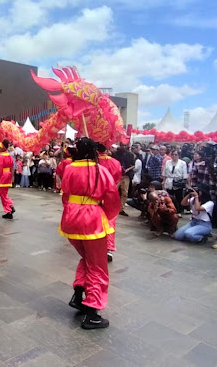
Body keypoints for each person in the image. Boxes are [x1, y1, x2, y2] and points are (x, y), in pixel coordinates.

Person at [61, 137, 120, 330]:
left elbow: (65, 196)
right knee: (98, 266)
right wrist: (106, 215)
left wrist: (71, 211)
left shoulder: (68, 168)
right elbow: (112, 198)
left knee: (88, 259)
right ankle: (92, 311)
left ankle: (78, 294)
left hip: (71, 219)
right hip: (92, 221)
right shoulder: (100, 170)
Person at [97, 143, 122, 262]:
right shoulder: (116, 163)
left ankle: (97, 247)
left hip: (96, 196)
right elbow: (118, 180)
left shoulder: (93, 163)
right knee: (110, 222)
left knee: (97, 221)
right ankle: (109, 248)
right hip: (111, 195)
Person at [163, 150, 188, 214]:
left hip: (178, 181)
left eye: (176, 154)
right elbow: (164, 173)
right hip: (169, 181)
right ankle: (170, 209)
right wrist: (164, 181)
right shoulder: (168, 162)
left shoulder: (182, 163)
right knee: (169, 196)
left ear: (178, 155)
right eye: (173, 154)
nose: (174, 156)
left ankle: (179, 210)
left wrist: (184, 182)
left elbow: (184, 174)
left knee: (179, 197)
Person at [0, 140, 16, 219]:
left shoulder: (1, 156)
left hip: (3, 176)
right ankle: (10, 206)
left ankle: (8, 210)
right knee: (4, 193)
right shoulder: (9, 156)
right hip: (8, 175)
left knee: (2, 194)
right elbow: (12, 167)